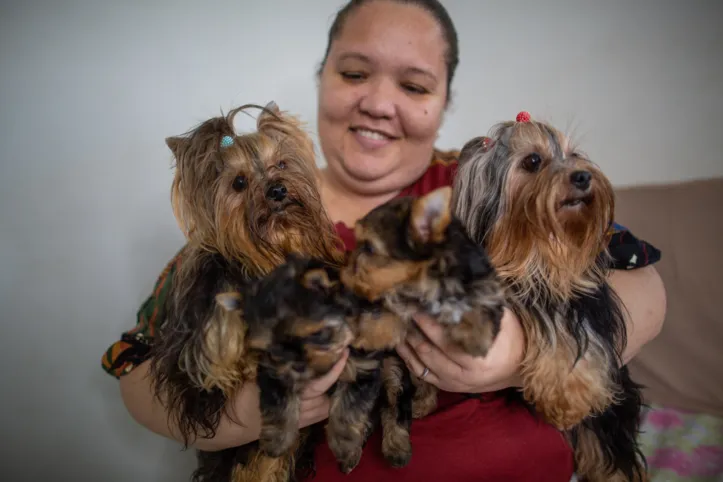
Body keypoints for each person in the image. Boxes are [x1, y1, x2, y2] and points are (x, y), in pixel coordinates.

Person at [102, 0, 667, 480]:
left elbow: (645, 284)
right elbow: (134, 367)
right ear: (320, 77)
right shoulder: (236, 233)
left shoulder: (492, 190)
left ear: (444, 101)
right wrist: (248, 413)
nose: (378, 101)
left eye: (415, 84)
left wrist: (522, 352)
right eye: (353, 74)